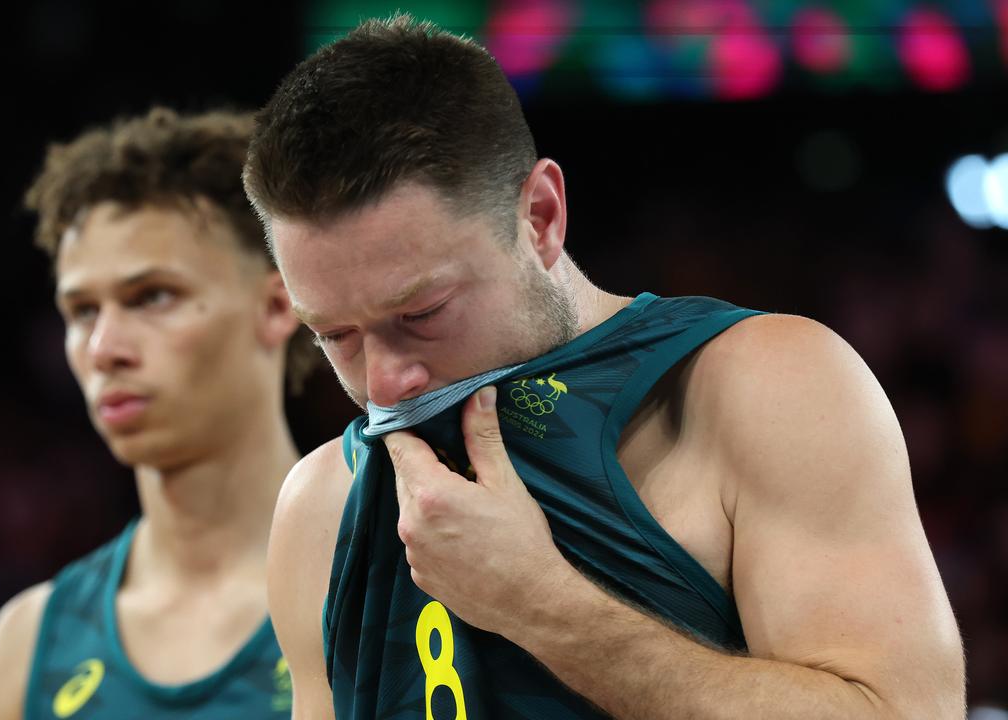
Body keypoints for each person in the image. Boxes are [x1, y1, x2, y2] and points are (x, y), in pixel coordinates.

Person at [243, 15, 966, 720]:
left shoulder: (764, 386)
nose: (383, 383)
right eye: (335, 335)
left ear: (541, 215)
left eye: (422, 314)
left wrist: (541, 605)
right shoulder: (319, 506)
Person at [0, 107, 318, 719]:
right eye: (81, 311)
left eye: (152, 296)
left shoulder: (393, 582)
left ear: (275, 304)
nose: (104, 348)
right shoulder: (26, 646)